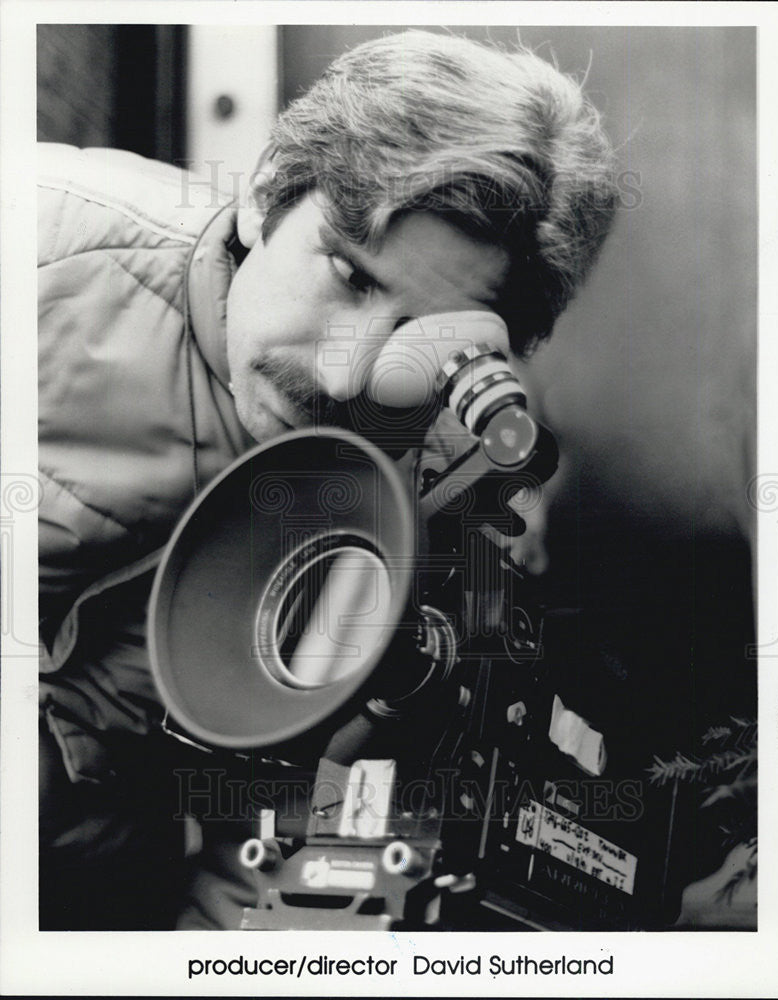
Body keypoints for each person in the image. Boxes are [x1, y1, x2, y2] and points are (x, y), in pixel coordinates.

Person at [38, 29, 617, 929]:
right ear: (268, 195)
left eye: (416, 333)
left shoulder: (436, 512)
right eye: (348, 274)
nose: (346, 379)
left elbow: (289, 857)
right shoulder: (40, 254)